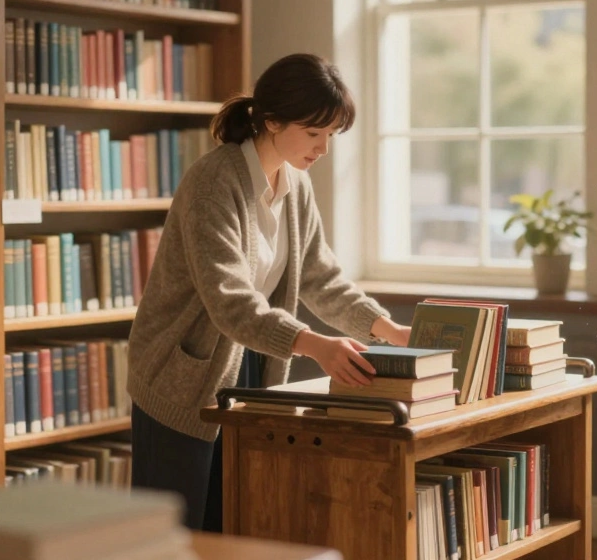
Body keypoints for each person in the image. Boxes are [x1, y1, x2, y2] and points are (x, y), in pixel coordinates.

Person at [126, 53, 413, 531]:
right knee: (175, 537)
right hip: (180, 377)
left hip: (248, 369)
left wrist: (389, 330)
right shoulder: (213, 183)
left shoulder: (296, 184)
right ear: (273, 120)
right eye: (314, 133)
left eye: (331, 136)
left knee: (236, 523)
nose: (323, 149)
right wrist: (316, 345)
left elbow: (321, 277)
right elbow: (230, 300)